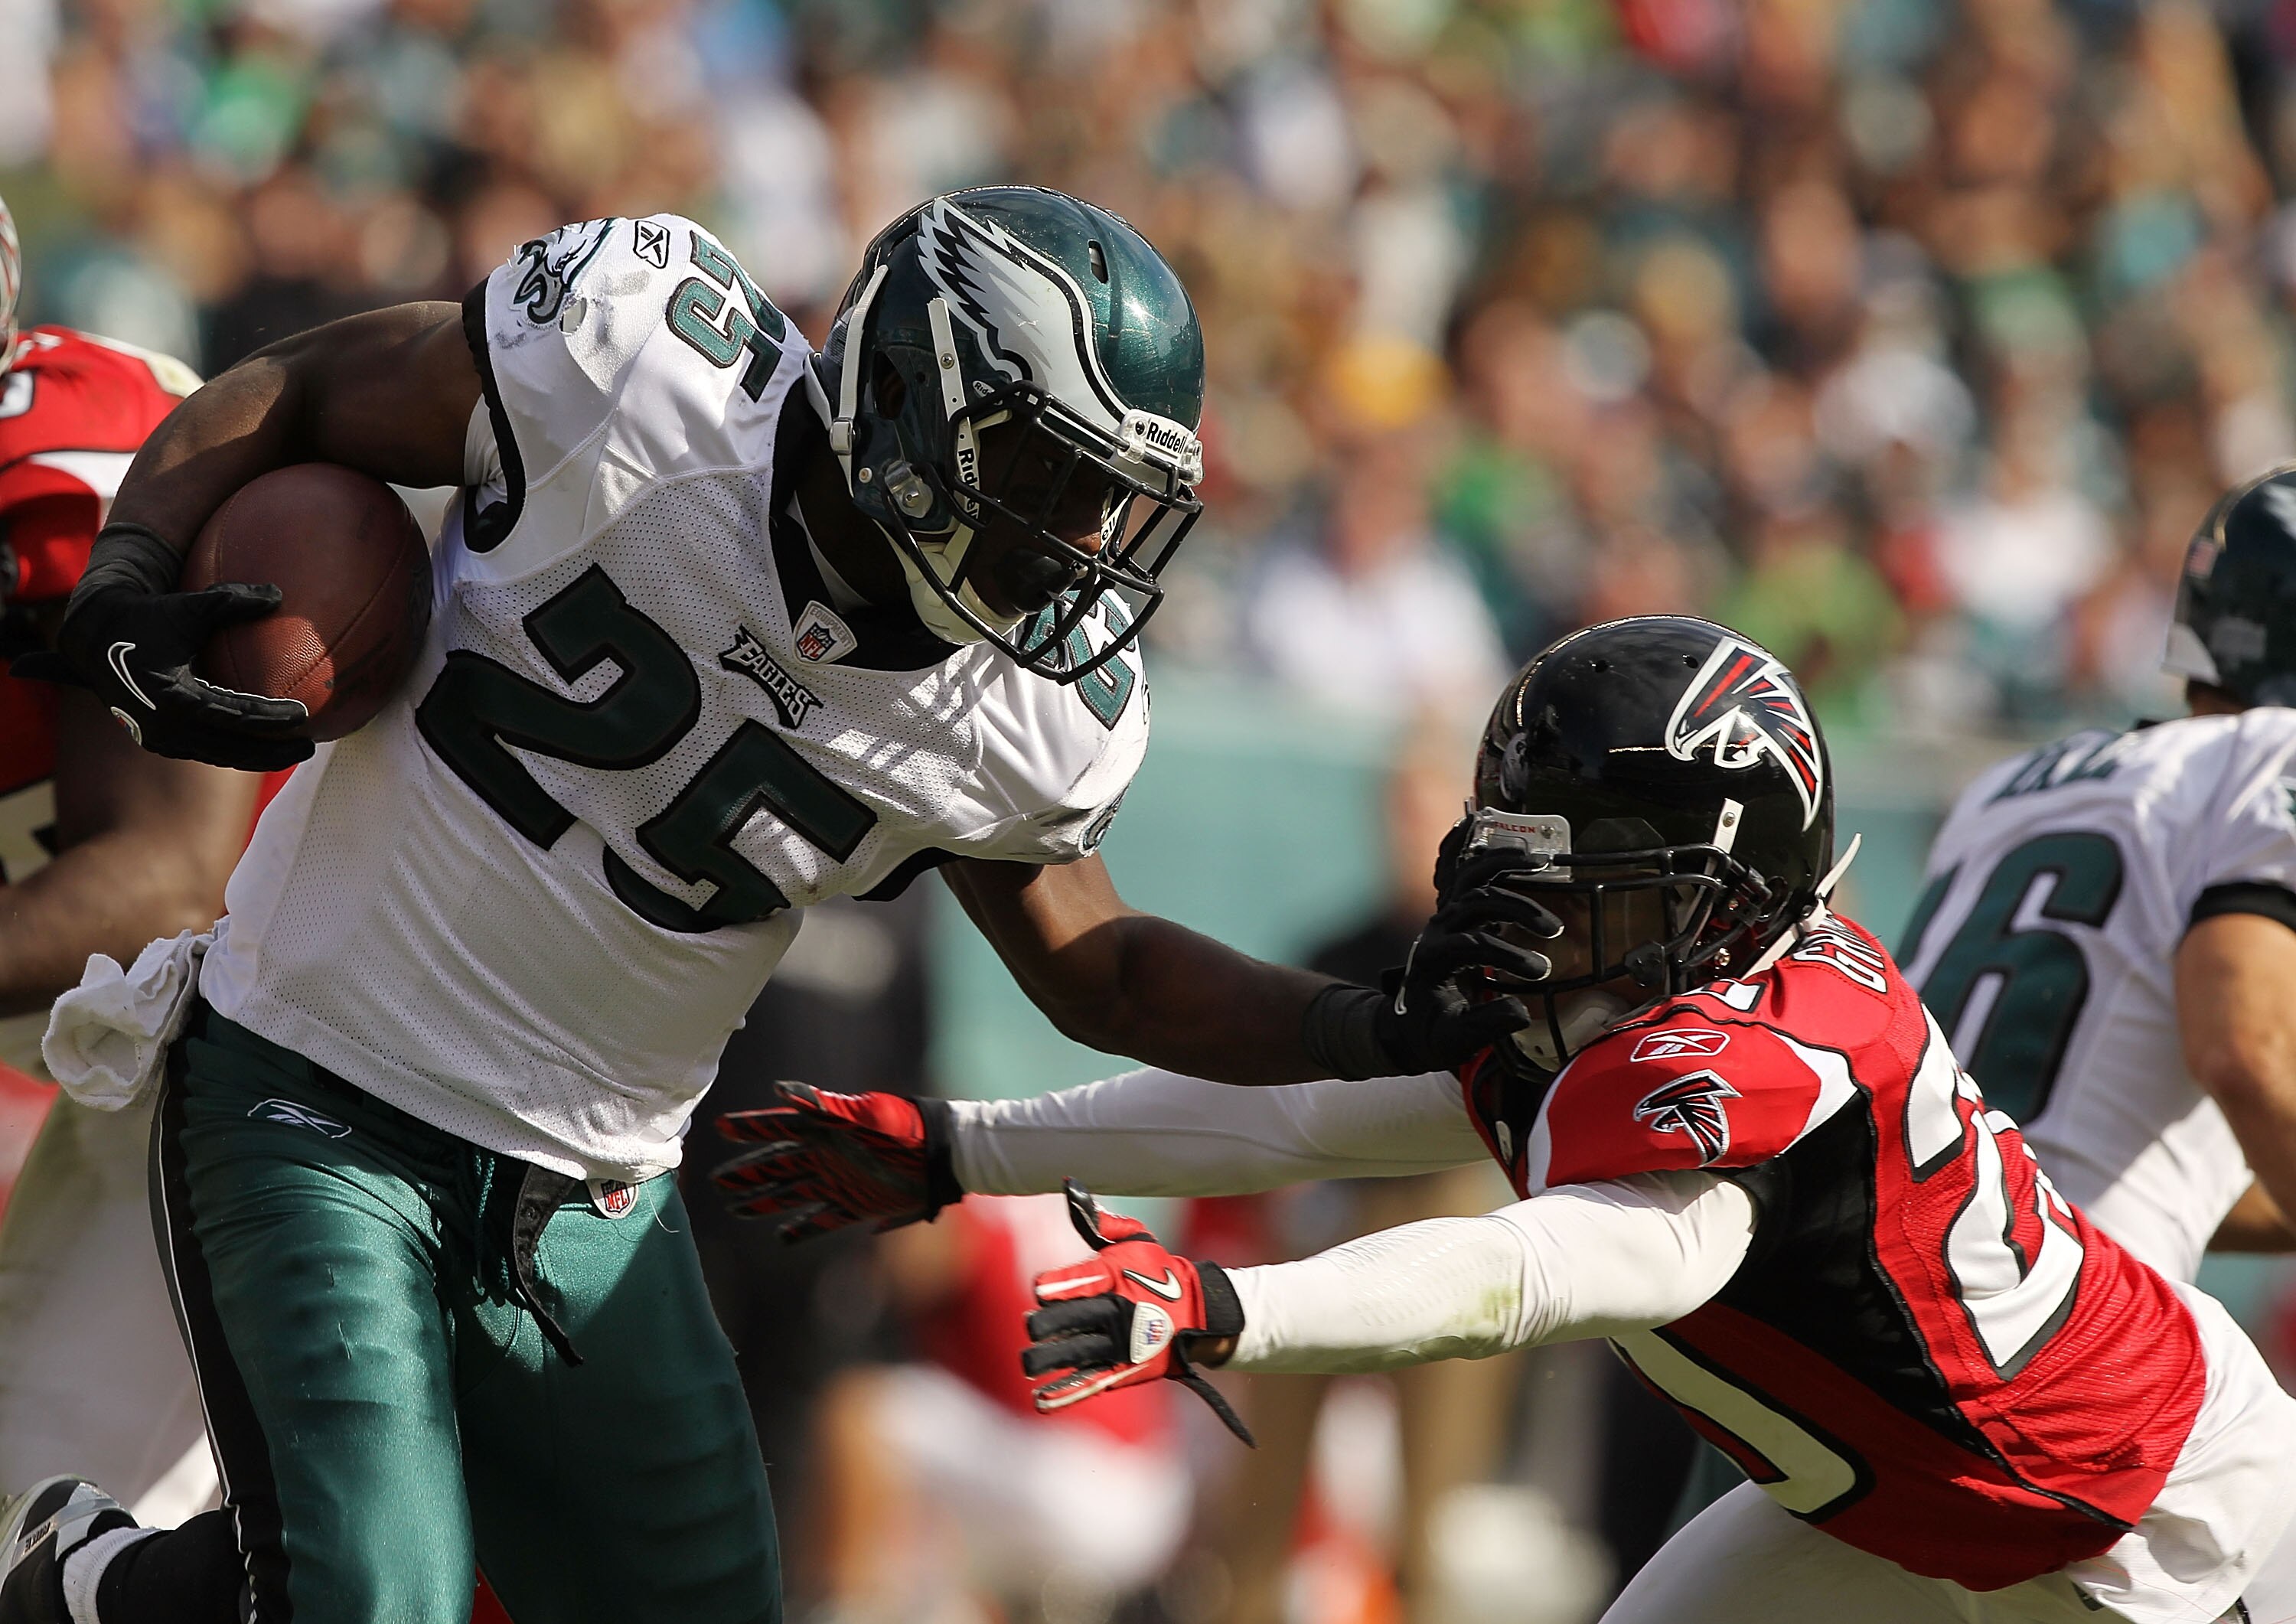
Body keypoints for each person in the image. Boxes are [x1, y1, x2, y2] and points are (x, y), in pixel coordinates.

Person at [0, 189, 1527, 1624]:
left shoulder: (1021, 706)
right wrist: (132, 564)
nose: (1076, 543)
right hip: (318, 1075)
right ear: (912, 406)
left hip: (593, 1183)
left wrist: (1363, 1020)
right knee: (374, 1596)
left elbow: (1104, 966)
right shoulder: (642, 363)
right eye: (1050, 477)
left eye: (1109, 498)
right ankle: (93, 1585)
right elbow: (304, 383)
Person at [721, 615, 2296, 1624]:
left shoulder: (1774, 1048)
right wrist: (957, 1149)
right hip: (1891, 1492)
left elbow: (1560, 1267)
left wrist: (1226, 1304)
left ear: (1715, 891)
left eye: (1583, 868)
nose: (1529, 899)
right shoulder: (1618, 996)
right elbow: (1309, 1118)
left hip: (2136, 1513)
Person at [0, 189, 269, 1526]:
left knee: (38, 1504)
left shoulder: (66, 476)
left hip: (276, 1032)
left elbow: (165, 878)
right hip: (124, 1048)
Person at [1898, 459, 2296, 1283]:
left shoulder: (2012, 783)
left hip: (1884, 1266)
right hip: (2055, 1321)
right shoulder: (2273, 756)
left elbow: (2108, 1155)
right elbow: (2245, 1047)